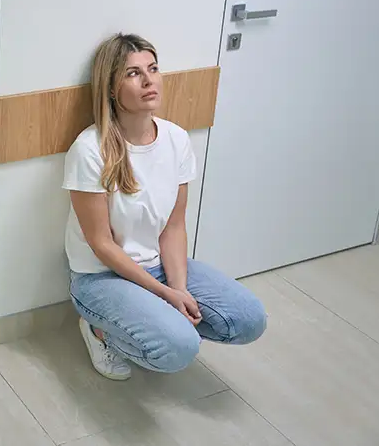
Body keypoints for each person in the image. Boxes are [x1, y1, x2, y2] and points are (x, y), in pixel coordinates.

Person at [64, 33, 267, 380]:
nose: (148, 80)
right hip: (100, 278)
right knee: (178, 350)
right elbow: (102, 244)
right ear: (111, 88)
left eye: (153, 68)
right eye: (132, 73)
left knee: (248, 319)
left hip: (157, 265)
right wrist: (164, 295)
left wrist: (180, 289)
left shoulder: (176, 139)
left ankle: (157, 320)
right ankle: (100, 331)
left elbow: (173, 227)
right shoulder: (89, 150)